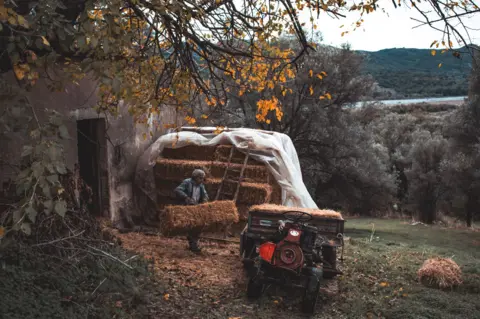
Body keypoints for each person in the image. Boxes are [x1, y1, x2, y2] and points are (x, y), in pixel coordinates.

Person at [174, 169, 209, 252]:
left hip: (195, 208)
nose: (202, 180)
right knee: (192, 227)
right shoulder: (187, 182)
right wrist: (186, 198)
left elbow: (205, 195)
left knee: (197, 226)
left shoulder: (201, 186)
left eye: (202, 178)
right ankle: (193, 245)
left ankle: (193, 245)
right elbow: (177, 190)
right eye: (200, 178)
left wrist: (204, 201)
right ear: (195, 177)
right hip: (187, 207)